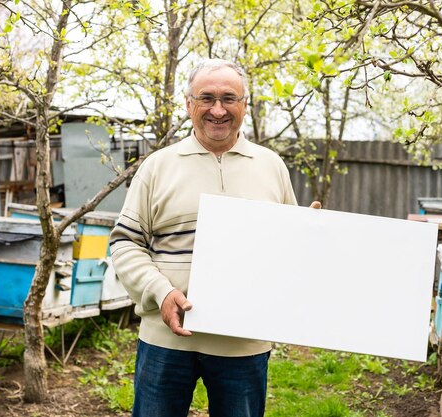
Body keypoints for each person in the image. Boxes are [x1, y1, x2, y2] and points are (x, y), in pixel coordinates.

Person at [109, 58, 320, 417]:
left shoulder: (271, 166)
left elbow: (285, 252)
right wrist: (161, 293)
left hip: (244, 345)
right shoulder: (158, 166)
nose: (218, 110)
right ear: (188, 104)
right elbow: (125, 243)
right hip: (167, 341)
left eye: (229, 98)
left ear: (245, 104)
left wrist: (310, 235)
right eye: (206, 98)